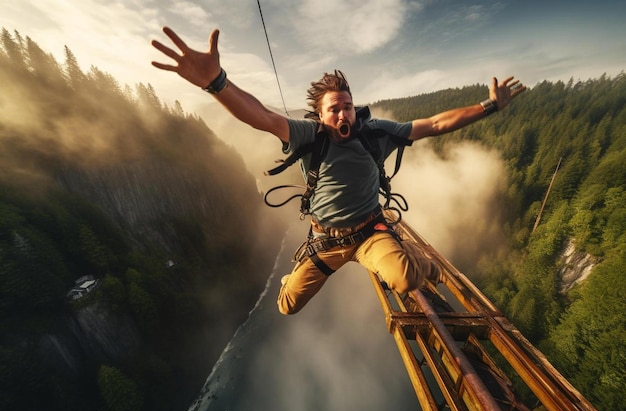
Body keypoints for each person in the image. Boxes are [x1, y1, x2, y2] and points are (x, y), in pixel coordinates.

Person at [151, 26, 526, 315]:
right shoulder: (307, 135)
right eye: (335, 108)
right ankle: (299, 273)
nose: (343, 113)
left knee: (405, 277)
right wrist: (216, 83)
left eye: (348, 106)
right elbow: (261, 116)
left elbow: (434, 124)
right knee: (286, 305)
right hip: (325, 240)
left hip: (368, 233)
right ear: (320, 114)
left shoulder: (375, 132)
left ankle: (421, 260)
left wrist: (489, 107)